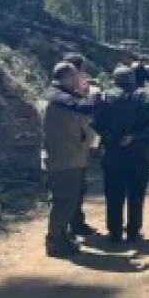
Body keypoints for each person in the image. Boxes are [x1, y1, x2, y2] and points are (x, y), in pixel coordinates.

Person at [91, 67, 149, 244]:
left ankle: (115, 232)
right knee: (136, 193)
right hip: (139, 153)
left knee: (113, 194)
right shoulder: (148, 96)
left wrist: (112, 137)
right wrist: (136, 137)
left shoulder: (104, 97)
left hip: (113, 152)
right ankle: (133, 230)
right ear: (133, 79)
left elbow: (95, 123)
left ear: (115, 79)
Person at [42, 62, 100, 257]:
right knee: (64, 201)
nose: (79, 80)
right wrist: (94, 94)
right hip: (64, 159)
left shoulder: (57, 95)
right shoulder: (58, 97)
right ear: (67, 77)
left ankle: (61, 237)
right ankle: (55, 241)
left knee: (65, 200)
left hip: (65, 156)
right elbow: (84, 108)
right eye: (76, 76)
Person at [61, 52, 99, 238]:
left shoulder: (69, 87)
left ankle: (76, 223)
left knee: (78, 187)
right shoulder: (68, 91)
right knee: (72, 188)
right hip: (73, 144)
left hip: (77, 142)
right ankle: (71, 226)